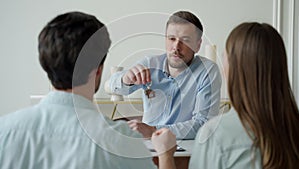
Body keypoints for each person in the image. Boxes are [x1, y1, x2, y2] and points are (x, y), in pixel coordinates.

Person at [0, 11, 175, 169]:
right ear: (98, 69)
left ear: (44, 63)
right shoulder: (119, 140)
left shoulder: (5, 131)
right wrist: (166, 154)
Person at [154, 22, 299, 169]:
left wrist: (165, 155)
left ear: (232, 69)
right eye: (172, 38)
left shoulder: (215, 135)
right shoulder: (293, 131)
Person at [109, 11, 222, 139]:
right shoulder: (150, 63)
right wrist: (125, 79)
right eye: (172, 39)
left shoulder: (207, 71)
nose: (176, 47)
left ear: (197, 45)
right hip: (148, 146)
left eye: (185, 40)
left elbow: (203, 124)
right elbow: (112, 86)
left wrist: (153, 131)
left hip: (185, 149)